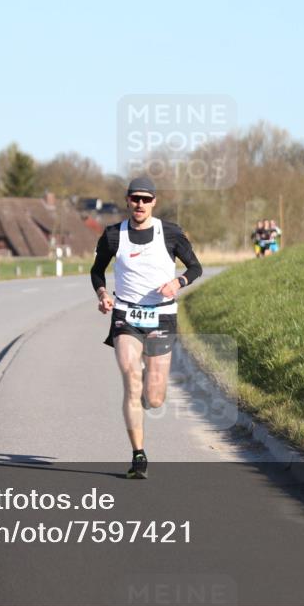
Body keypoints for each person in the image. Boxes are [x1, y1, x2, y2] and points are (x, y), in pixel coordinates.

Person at [90, 177, 203, 479]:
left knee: (154, 398)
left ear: (154, 202)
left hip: (162, 316)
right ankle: (138, 455)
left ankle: (146, 393)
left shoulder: (171, 233)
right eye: (134, 198)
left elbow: (195, 267)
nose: (139, 204)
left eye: (145, 199)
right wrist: (103, 294)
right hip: (125, 315)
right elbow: (97, 271)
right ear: (127, 200)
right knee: (130, 377)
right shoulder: (114, 235)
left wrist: (178, 282)